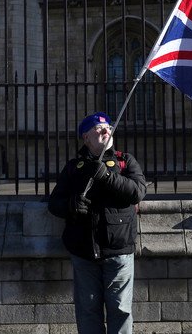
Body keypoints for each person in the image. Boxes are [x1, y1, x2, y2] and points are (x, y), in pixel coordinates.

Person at [49, 112, 147, 334]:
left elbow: (137, 192)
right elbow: (55, 203)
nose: (106, 130)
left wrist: (108, 176)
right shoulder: (75, 167)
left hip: (118, 251)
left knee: (120, 311)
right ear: (86, 138)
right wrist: (71, 205)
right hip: (84, 253)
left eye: (108, 127)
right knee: (87, 312)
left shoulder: (125, 161)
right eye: (98, 128)